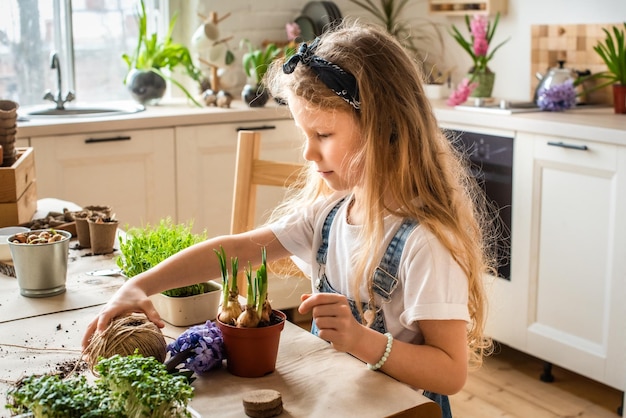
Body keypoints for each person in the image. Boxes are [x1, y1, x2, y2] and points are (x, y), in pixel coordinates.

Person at [83, 20, 495, 417]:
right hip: (335, 397)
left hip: (400, 411)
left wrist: (361, 340)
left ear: (383, 127)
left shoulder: (426, 242)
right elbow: (238, 249)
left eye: (324, 135)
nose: (308, 153)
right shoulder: (331, 213)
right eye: (305, 135)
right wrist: (139, 285)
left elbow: (450, 371)